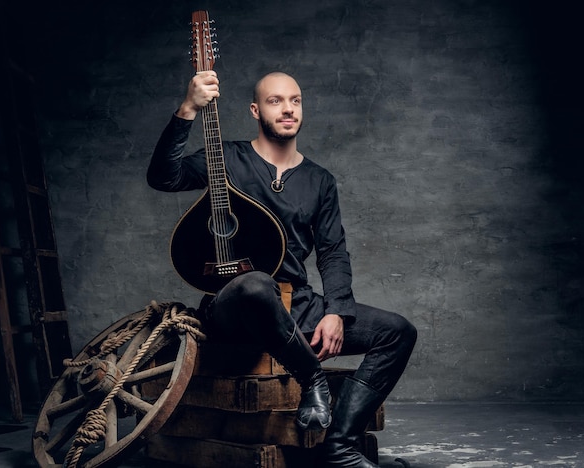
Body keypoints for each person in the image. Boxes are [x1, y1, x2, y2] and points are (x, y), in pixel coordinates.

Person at [147, 70, 417, 467]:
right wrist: (188, 107)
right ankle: (313, 379)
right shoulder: (227, 159)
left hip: (295, 304)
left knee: (398, 332)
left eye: (295, 100)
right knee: (254, 284)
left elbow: (333, 252)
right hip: (233, 307)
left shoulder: (320, 180)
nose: (288, 108)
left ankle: (338, 446)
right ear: (256, 110)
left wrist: (337, 312)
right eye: (276, 101)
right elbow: (163, 177)